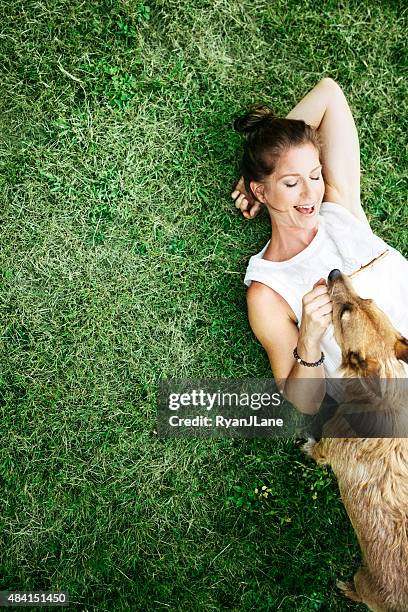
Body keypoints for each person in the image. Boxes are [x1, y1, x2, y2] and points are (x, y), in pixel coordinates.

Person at [231, 77, 408, 414]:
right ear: (262, 192)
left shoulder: (340, 210)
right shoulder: (268, 291)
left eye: (314, 175)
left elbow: (329, 94)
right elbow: (306, 403)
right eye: (290, 182)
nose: (310, 193)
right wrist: (309, 338)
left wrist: (254, 167)